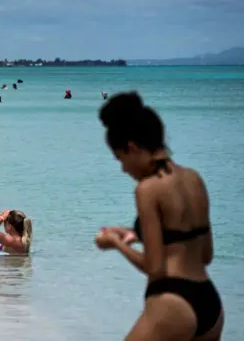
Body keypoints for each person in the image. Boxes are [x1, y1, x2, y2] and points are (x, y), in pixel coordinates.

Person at [94, 91, 223, 341]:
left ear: (131, 148)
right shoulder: (194, 178)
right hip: (210, 303)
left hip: (173, 302)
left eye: (120, 158)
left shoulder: (148, 188)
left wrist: (116, 243)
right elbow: (205, 255)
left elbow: (154, 267)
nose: (122, 168)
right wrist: (136, 235)